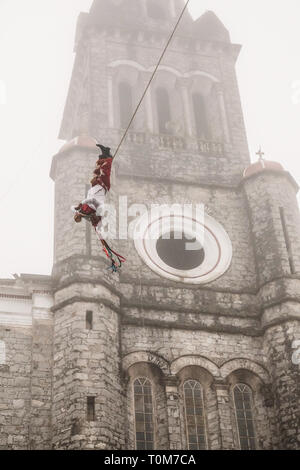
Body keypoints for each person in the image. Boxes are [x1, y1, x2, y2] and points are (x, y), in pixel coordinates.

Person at [74, 144, 113, 227]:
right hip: (103, 186)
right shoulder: (98, 207)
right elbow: (92, 200)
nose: (78, 216)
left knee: (97, 169)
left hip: (95, 186)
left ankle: (104, 151)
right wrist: (81, 203)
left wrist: (79, 210)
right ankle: (108, 156)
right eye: (78, 218)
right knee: (105, 169)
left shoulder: (84, 212)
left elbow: (75, 209)